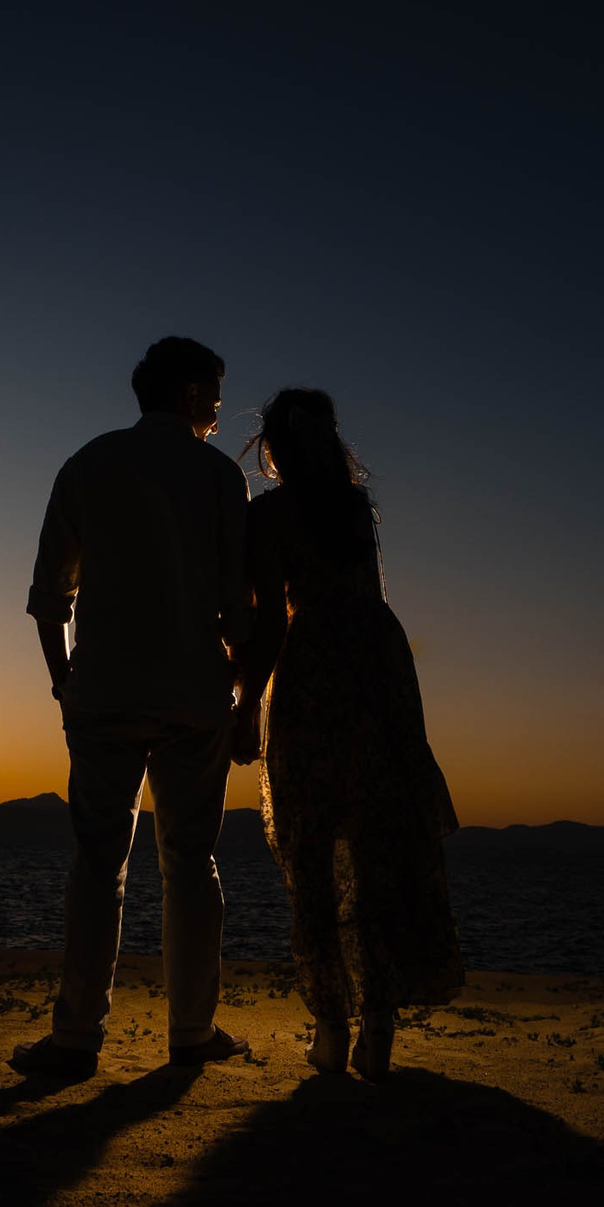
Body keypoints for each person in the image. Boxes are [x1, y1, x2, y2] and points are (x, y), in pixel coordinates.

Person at [9, 337, 253, 1081]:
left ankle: (78, 1036)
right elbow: (239, 604)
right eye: (213, 392)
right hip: (194, 699)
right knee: (190, 861)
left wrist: (64, 684)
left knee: (97, 863)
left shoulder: (87, 465)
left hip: (104, 696)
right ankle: (192, 1029)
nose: (218, 406)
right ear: (187, 395)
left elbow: (50, 597)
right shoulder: (217, 476)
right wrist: (244, 696)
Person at [232, 388, 463, 1079]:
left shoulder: (269, 515)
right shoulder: (355, 508)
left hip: (318, 676)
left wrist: (245, 704)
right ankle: (379, 1025)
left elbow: (271, 620)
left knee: (310, 847)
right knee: (376, 845)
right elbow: (374, 598)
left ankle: (332, 1028)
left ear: (272, 448)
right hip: (382, 671)